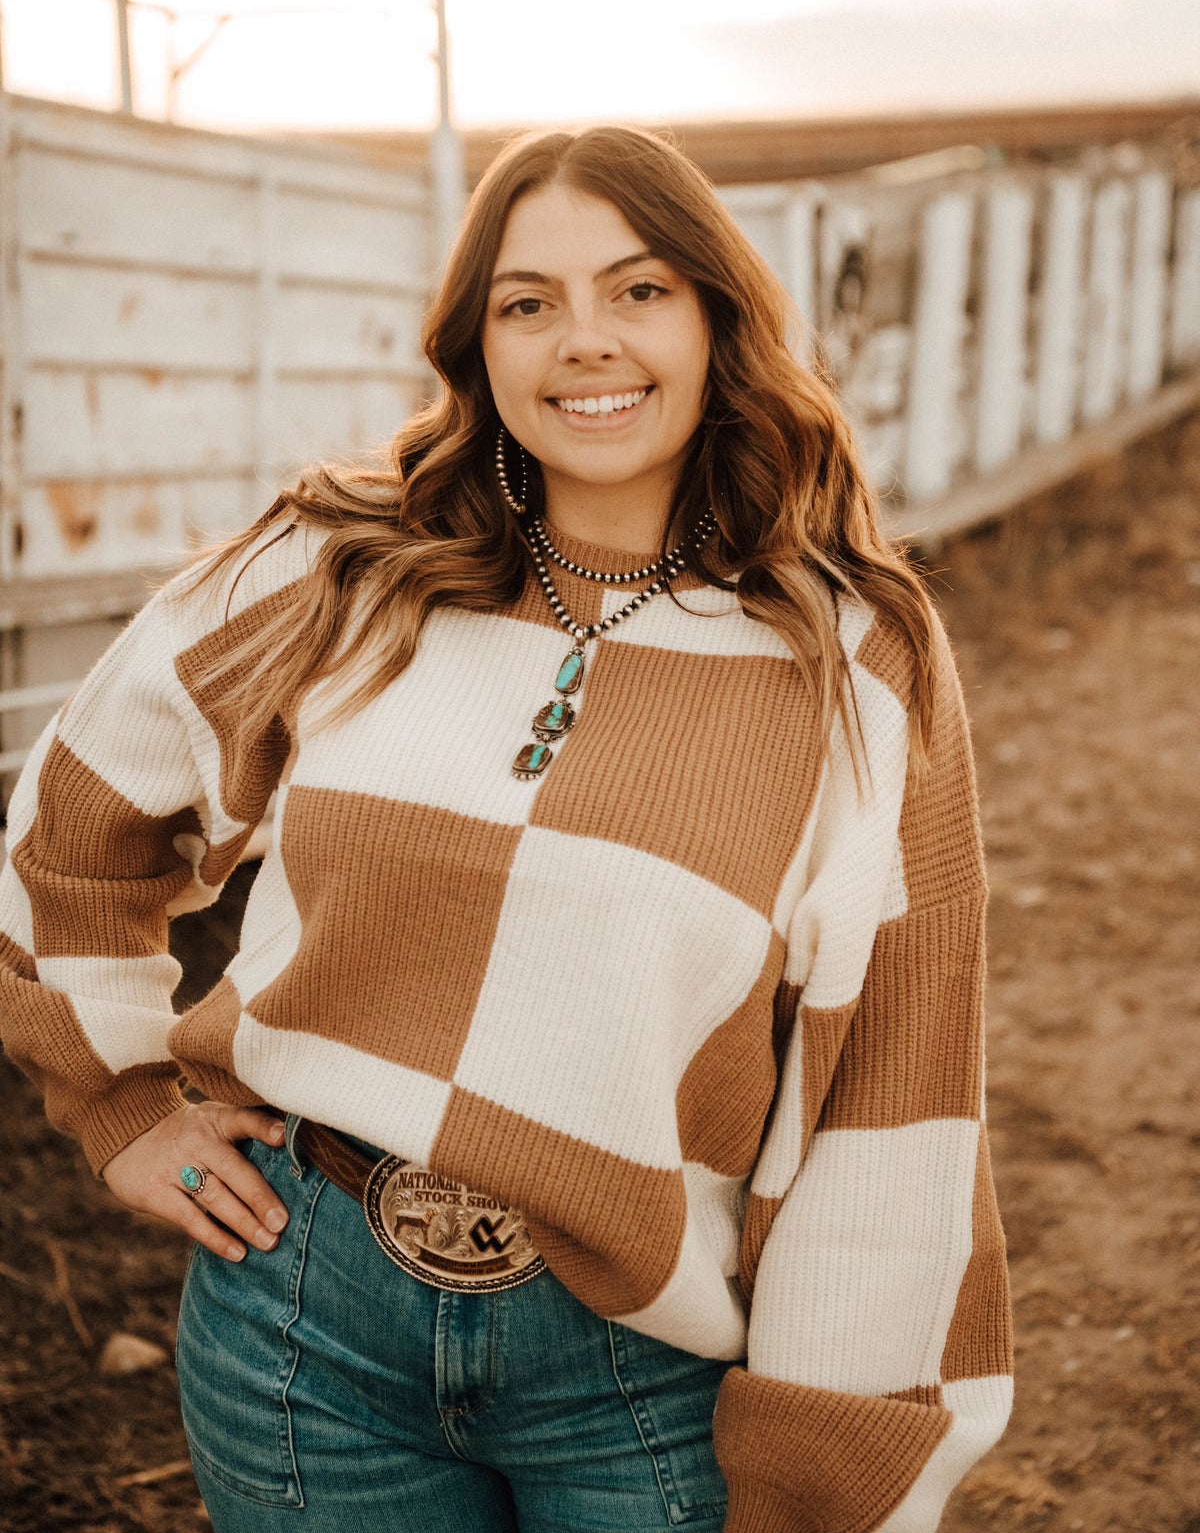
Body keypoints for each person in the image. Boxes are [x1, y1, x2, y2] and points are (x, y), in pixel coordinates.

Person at [0, 125, 1013, 1532]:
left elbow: (888, 1091)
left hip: (640, 1368)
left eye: (639, 290)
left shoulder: (852, 661)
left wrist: (825, 1450)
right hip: (303, 1319)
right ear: (477, 345)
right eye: (528, 302)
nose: (582, 340)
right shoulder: (336, 567)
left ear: (722, 319)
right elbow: (73, 825)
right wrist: (118, 1102)